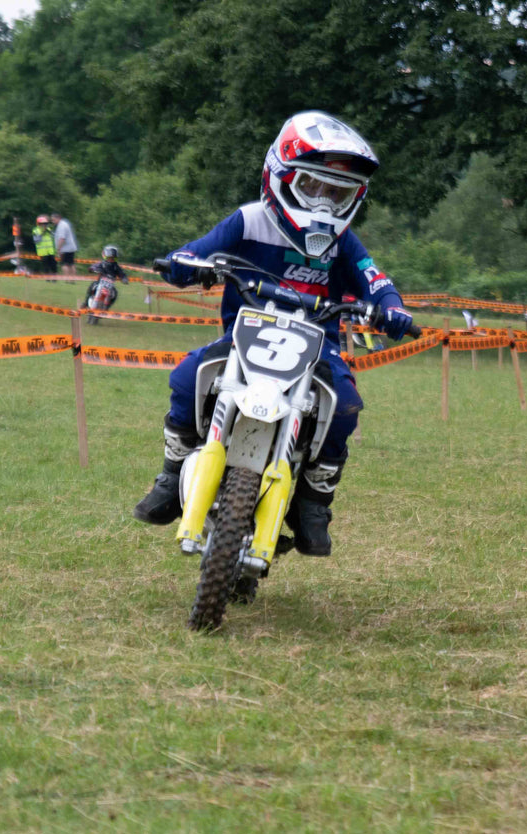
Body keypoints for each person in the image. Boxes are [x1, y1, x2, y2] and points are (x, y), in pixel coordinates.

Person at [134, 110, 420, 556]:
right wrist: (183, 263)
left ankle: (314, 499)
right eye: (314, 187)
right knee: (188, 376)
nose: (324, 203)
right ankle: (172, 473)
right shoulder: (249, 221)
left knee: (344, 405)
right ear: (280, 177)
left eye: (338, 193)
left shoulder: (344, 244)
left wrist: (391, 308)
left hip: (316, 347)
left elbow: (375, 280)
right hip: (244, 338)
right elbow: (198, 250)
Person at [80, 244, 129, 318]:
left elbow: (121, 273)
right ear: (105, 256)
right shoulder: (101, 264)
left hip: (110, 286)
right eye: (109, 258)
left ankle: (106, 307)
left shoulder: (116, 266)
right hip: (100, 283)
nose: (111, 260)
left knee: (115, 293)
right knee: (92, 286)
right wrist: (92, 269)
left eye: (113, 258)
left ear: (115, 259)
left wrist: (124, 278)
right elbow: (94, 266)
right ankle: (86, 303)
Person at [52, 212, 79, 276]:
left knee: (64, 264)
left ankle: (67, 278)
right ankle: (73, 279)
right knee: (71, 264)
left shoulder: (61, 226)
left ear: (58, 218)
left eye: (53, 220)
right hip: (70, 248)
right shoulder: (64, 224)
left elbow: (62, 239)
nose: (53, 222)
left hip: (66, 249)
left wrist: (58, 249)